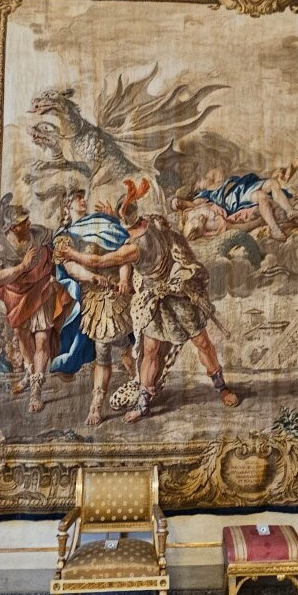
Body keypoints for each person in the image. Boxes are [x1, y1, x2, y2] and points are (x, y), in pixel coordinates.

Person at [57, 179, 240, 423]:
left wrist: (72, 254)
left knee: (202, 342)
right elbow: (104, 254)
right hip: (155, 301)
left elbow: (99, 262)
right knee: (150, 351)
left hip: (178, 294)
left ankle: (222, 388)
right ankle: (143, 404)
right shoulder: (144, 229)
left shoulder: (140, 237)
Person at [53, 187, 137, 426]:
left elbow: (123, 254)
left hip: (118, 295)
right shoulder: (64, 237)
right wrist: (91, 277)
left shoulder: (102, 223)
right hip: (94, 299)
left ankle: (142, 388)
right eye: (77, 198)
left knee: (126, 345)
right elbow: (70, 268)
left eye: (83, 197)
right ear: (67, 206)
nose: (83, 201)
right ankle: (97, 404)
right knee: (102, 350)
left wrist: (124, 279)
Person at [0, 198, 73, 413]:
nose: (28, 223)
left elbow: (58, 237)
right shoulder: (1, 246)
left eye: (27, 219)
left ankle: (37, 387)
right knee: (21, 335)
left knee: (42, 338)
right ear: (13, 227)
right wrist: (23, 266)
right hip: (16, 296)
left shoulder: (38, 233)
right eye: (23, 222)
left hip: (41, 290)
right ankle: (30, 372)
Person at [172, 167, 298, 241]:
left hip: (243, 185)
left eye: (203, 178)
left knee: (273, 183)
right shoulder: (206, 194)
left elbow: (216, 171)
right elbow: (192, 205)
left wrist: (207, 180)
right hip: (234, 197)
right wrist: (180, 202)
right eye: (200, 181)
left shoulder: (219, 181)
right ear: (198, 189)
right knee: (261, 197)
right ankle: (274, 229)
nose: (204, 178)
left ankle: (290, 211)